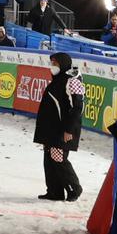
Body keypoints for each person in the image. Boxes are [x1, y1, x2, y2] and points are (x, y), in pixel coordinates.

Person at [33, 52, 84, 201]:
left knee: (58, 159)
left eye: (55, 63)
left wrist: (69, 130)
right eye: (52, 63)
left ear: (63, 63)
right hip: (51, 130)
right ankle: (55, 192)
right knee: (49, 159)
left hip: (63, 130)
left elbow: (77, 108)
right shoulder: (57, 80)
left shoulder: (72, 81)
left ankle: (74, 188)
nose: (52, 66)